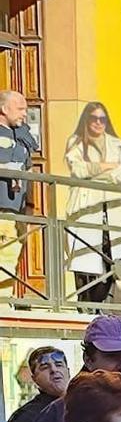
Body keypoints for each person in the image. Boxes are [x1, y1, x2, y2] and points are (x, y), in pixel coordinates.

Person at [62, 101, 121, 303]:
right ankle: (85, 306)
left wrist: (94, 170)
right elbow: (78, 170)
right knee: (84, 261)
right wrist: (107, 167)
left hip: (112, 211)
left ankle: (101, 306)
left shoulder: (119, 145)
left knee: (111, 260)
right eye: (94, 118)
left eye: (102, 119)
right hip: (86, 210)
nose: (98, 123)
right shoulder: (76, 143)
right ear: (86, 120)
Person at [0, 89, 38, 293]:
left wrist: (30, 206)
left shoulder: (23, 138)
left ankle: (5, 305)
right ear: (4, 109)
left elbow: (29, 170)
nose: (25, 113)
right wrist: (7, 170)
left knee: (10, 260)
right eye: (20, 108)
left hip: (17, 211)